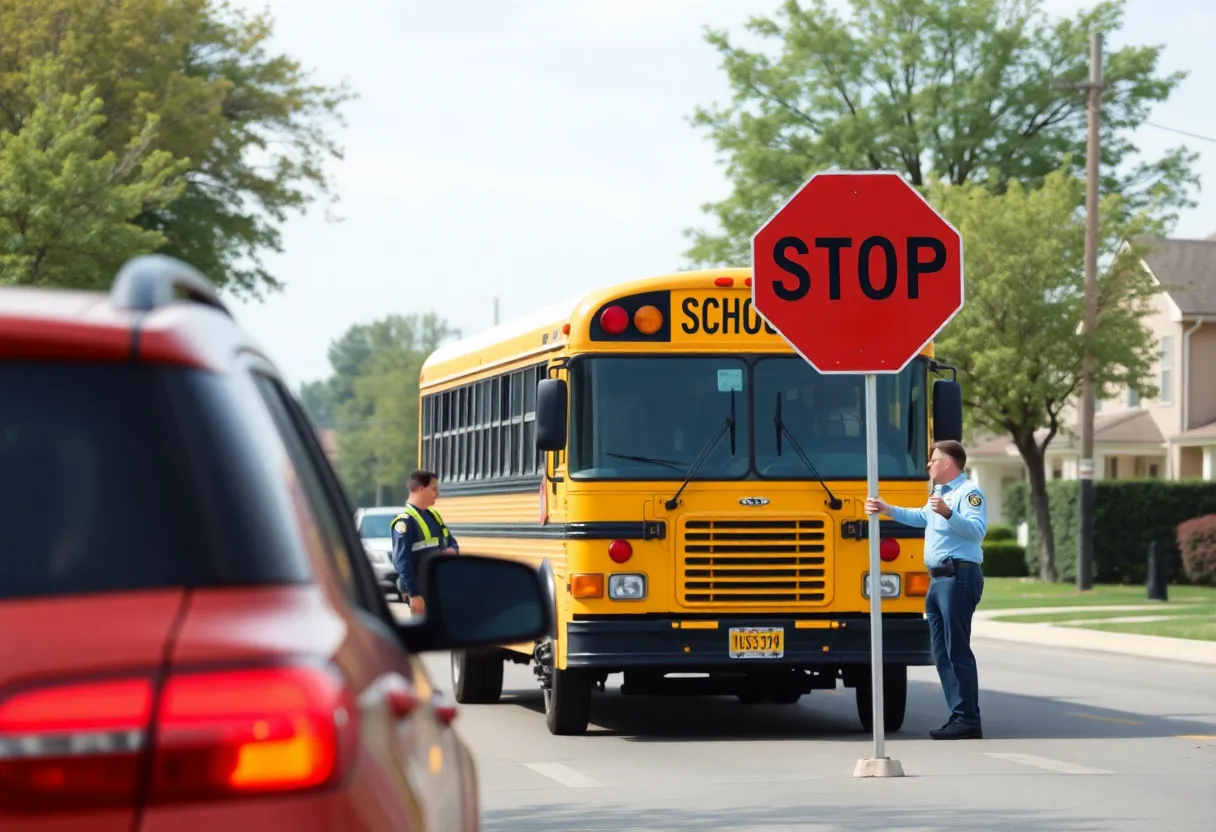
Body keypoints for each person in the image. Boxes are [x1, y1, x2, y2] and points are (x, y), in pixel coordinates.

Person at [864, 439, 987, 740]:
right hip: (938, 580)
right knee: (941, 652)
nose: (929, 465)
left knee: (956, 649)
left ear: (948, 463)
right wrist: (886, 509)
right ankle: (959, 716)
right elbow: (920, 518)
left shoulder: (968, 493)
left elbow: (977, 531)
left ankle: (968, 719)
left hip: (957, 577)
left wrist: (948, 513)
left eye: (933, 460)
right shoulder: (939, 493)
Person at [390, 469, 459, 616]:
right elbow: (401, 561)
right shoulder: (405, 522)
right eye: (434, 489)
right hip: (420, 591)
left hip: (437, 588)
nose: (437, 494)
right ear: (421, 489)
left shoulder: (433, 516)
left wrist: (452, 550)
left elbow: (451, 541)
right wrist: (414, 594)